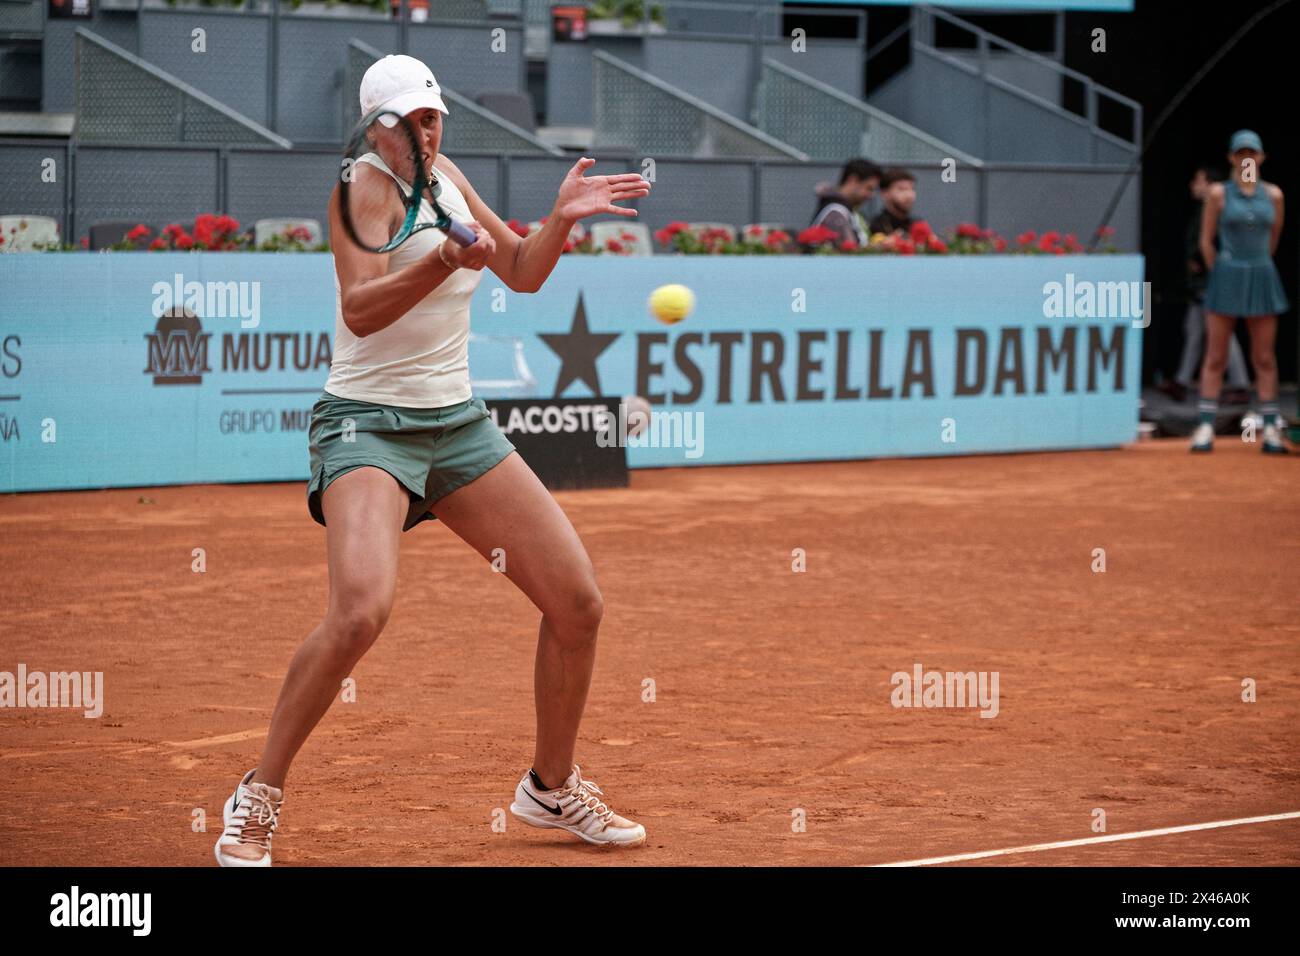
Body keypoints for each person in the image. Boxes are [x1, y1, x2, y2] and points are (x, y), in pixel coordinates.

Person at [214, 54, 652, 867]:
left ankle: (549, 789)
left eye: (434, 115)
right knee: (360, 611)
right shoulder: (359, 192)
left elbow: (519, 270)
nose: (427, 129)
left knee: (577, 604)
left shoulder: (445, 173)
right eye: (411, 119)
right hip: (366, 426)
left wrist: (558, 219)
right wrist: (444, 262)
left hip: (455, 422)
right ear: (378, 126)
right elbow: (360, 308)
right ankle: (258, 794)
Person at [1190, 130, 1289, 453]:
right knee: (1216, 355)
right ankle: (1206, 426)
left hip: (1261, 274)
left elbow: (1273, 240)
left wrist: (1256, 264)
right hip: (1227, 276)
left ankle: (1271, 429)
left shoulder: (1275, 195)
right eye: (1240, 153)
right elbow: (1206, 240)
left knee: (1263, 357)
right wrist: (1221, 269)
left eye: (1253, 153)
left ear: (1261, 158)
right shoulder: (1218, 194)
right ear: (1232, 158)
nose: (1247, 158)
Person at [1165, 165, 1251, 404]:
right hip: (1203, 283)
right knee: (1194, 329)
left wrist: (1205, 266)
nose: (1194, 185)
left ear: (1211, 184)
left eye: (1198, 180)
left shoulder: (1220, 209)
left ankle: (1240, 385)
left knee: (1223, 332)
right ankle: (1180, 382)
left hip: (1214, 281)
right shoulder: (1205, 209)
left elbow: (1219, 242)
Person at [810, 159, 880, 248]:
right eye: (869, 188)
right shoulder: (835, 213)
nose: (871, 195)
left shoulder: (849, 211)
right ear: (853, 180)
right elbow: (850, 252)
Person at [868, 168, 917, 237]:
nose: (909, 195)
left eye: (912, 189)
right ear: (884, 193)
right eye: (901, 189)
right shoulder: (876, 225)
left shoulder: (917, 224)